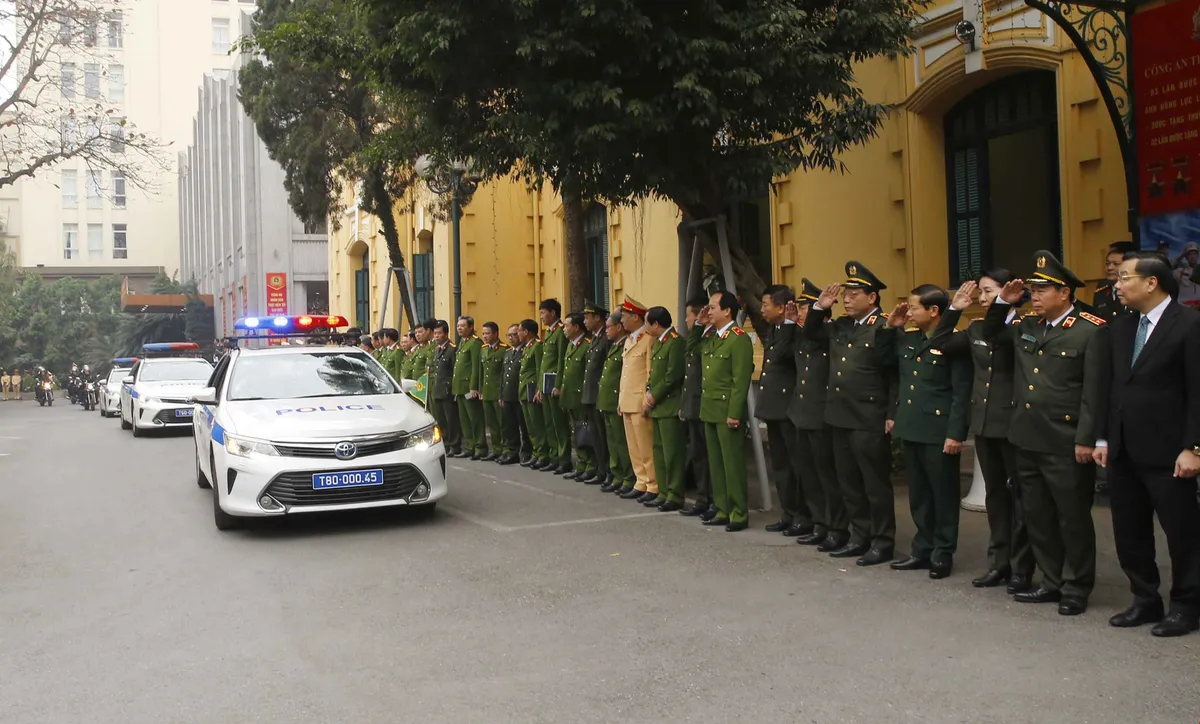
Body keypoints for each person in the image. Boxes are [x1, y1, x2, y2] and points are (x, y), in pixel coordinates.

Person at [982, 250, 1109, 616]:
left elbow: (1094, 391)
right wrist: (1003, 301)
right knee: (1037, 516)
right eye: (1032, 290)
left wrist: (1088, 438)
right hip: (1026, 437)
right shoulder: (1026, 326)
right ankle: (1051, 581)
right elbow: (992, 333)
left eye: (1043, 289)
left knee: (1072, 518)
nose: (1034, 296)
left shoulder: (1091, 329)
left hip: (1066, 440)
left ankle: (1076, 586)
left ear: (1065, 293)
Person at [1094, 251, 1200, 637]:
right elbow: (1112, 387)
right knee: (1129, 530)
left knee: (1183, 534)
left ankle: (1187, 606)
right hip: (1124, 448)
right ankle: (1145, 599)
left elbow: (1198, 393)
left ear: (1151, 282)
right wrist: (1104, 437)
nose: (1116, 285)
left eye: (1124, 278)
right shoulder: (1120, 328)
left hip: (1171, 451)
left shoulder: (1189, 325)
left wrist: (1195, 448)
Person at [934, 273, 1036, 594]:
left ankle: (1022, 568)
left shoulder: (1025, 326)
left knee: (1020, 499)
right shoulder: (975, 328)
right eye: (980, 292)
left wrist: (1005, 305)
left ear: (1009, 293)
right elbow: (939, 345)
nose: (981, 297)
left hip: (1015, 424)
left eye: (988, 291)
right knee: (996, 498)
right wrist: (953, 310)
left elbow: (1001, 335)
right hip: (985, 424)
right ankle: (999, 562)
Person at [805, 261, 898, 566]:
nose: (847, 298)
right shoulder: (842, 325)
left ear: (872, 298)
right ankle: (859, 536)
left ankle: (882, 541)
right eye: (845, 293)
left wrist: (891, 412)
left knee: (874, 484)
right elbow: (811, 334)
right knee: (848, 483)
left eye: (854, 293)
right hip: (839, 415)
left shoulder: (884, 325)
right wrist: (820, 307)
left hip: (869, 415)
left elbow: (894, 373)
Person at [886, 285, 972, 579]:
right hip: (913, 426)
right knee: (920, 495)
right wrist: (891, 328)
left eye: (913, 308)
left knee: (943, 495)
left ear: (934, 311)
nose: (908, 313)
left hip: (939, 430)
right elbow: (885, 361)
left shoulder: (954, 342)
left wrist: (956, 433)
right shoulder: (910, 339)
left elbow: (961, 392)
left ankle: (942, 552)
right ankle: (922, 548)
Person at [691, 291, 754, 531]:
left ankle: (738, 513)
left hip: (727, 410)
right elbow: (692, 347)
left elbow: (740, 380)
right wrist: (699, 324)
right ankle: (722, 508)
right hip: (710, 409)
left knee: (732, 465)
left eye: (713, 307)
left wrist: (735, 413)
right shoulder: (712, 337)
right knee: (716, 464)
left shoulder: (738, 339)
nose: (708, 311)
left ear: (727, 310)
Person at [788, 278, 845, 548]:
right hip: (801, 413)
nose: (800, 312)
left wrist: (818, 312)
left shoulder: (829, 333)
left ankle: (835, 526)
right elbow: (780, 353)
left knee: (827, 476)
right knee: (808, 473)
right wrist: (788, 324)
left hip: (821, 415)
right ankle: (819, 522)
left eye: (805, 308)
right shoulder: (800, 335)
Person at [756, 284, 807, 535]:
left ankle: (802, 515)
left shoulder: (793, 331)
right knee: (781, 466)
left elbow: (786, 357)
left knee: (797, 466)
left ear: (782, 307)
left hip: (789, 409)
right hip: (775, 408)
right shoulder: (774, 330)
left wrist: (789, 324)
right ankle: (788, 512)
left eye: (766, 304)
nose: (762, 309)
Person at [644, 306, 686, 511]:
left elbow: (673, 375)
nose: (645, 327)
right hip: (658, 406)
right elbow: (654, 373)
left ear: (656, 324)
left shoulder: (675, 342)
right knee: (659, 451)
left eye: (646, 323)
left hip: (669, 404)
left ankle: (675, 494)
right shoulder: (659, 343)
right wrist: (647, 391)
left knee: (672, 454)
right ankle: (663, 491)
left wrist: (654, 395)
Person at [618, 297, 658, 500]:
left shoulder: (648, 339)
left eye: (624, 316)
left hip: (639, 401)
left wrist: (647, 398)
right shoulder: (629, 339)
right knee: (633, 447)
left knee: (645, 446)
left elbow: (650, 372)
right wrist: (620, 400)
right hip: (627, 400)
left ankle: (653, 483)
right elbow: (626, 373)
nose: (621, 320)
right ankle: (640, 480)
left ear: (635, 317)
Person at [679, 298, 714, 519]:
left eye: (688, 316)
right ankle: (703, 498)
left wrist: (700, 327)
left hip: (706, 406)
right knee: (699, 457)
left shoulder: (712, 338)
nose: (686, 320)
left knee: (710, 458)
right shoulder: (697, 338)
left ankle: (712, 499)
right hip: (694, 406)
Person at [599, 312, 636, 494]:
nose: (606, 330)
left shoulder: (625, 345)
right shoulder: (615, 346)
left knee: (621, 442)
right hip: (607, 401)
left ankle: (628, 477)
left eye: (609, 327)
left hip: (617, 401)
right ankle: (617, 474)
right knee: (612, 441)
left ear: (619, 327)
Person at [559, 312, 595, 481]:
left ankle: (590, 464)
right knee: (576, 431)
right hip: (570, 397)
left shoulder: (586, 345)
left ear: (576, 327)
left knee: (585, 431)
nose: (564, 328)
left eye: (566, 325)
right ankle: (581, 463)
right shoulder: (571, 345)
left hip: (581, 396)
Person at [537, 299, 572, 474]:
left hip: (554, 384)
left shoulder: (560, 332)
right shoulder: (548, 333)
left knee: (559, 423)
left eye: (543, 312)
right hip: (545, 384)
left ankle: (564, 458)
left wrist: (558, 384)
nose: (541, 316)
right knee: (549, 423)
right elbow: (543, 363)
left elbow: (560, 361)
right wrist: (539, 387)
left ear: (553, 313)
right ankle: (554, 456)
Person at [580, 302, 611, 485]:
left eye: (588, 317)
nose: (585, 320)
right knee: (595, 435)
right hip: (590, 395)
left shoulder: (606, 340)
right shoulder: (594, 339)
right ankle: (601, 469)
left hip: (599, 394)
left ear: (598, 318)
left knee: (603, 435)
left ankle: (607, 470)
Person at [518, 320, 550, 469]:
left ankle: (543, 454)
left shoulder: (537, 346)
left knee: (536, 424)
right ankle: (536, 453)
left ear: (527, 332)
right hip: (524, 389)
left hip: (532, 388)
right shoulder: (527, 347)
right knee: (530, 425)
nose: (518, 334)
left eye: (520, 330)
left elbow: (539, 369)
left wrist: (539, 388)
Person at [453, 316, 486, 460]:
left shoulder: (475, 343)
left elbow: (476, 367)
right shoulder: (462, 342)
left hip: (468, 388)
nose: (459, 328)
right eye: (458, 326)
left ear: (471, 327)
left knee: (475, 419)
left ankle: (480, 447)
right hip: (459, 388)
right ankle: (469, 446)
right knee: (465, 420)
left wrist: (474, 387)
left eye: (462, 326)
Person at [429, 320, 464, 457]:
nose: (436, 336)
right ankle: (446, 444)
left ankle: (455, 445)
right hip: (438, 389)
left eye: (439, 333)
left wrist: (452, 388)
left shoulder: (452, 349)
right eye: (435, 333)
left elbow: (454, 370)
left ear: (446, 333)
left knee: (452, 419)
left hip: (448, 390)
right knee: (441, 419)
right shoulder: (437, 349)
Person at [499, 324, 529, 465]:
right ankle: (512, 451)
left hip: (520, 395)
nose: (511, 338)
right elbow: (503, 376)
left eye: (515, 334)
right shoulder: (508, 352)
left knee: (524, 426)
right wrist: (501, 395)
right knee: (509, 426)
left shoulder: (525, 351)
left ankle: (526, 452)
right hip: (508, 395)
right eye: (509, 335)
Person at [479, 322, 507, 461]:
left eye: (488, 333)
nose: (485, 336)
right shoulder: (483, 349)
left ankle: (505, 449)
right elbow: (481, 372)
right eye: (483, 333)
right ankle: (496, 449)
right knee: (492, 423)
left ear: (496, 334)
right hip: (487, 391)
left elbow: (503, 373)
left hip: (498, 392)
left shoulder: (504, 350)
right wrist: (480, 389)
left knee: (502, 422)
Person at [1092, 242, 1137, 321]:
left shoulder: (1137, 289)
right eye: (1107, 263)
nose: (1109, 268)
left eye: (1116, 264)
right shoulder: (1102, 288)